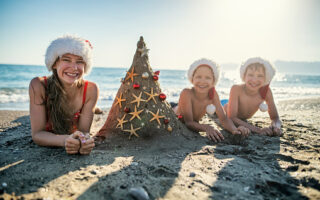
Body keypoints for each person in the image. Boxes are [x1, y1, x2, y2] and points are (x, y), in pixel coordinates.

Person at [29, 35, 98, 154]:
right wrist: (66, 140)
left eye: (80, 61)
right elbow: (37, 134)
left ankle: (95, 108)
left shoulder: (91, 89)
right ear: (54, 63)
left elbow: (83, 132)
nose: (74, 67)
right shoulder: (38, 85)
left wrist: (84, 142)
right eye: (66, 60)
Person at [174, 58, 250, 142]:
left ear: (213, 81)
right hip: (176, 111)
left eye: (208, 77)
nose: (202, 81)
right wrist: (207, 127)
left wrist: (234, 129)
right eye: (198, 77)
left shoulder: (213, 94)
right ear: (192, 78)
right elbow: (189, 122)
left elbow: (224, 118)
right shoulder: (187, 93)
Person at [224, 57, 282, 136]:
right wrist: (258, 130)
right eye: (250, 75)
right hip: (223, 107)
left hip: (240, 117)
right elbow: (232, 117)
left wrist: (276, 127)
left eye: (260, 76)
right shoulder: (236, 89)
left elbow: (275, 118)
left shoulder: (266, 91)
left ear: (265, 78)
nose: (254, 80)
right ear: (244, 76)